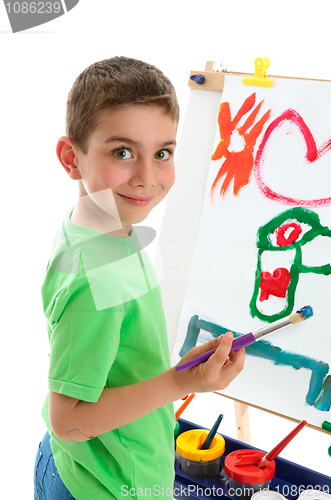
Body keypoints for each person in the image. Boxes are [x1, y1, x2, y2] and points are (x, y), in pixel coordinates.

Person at [34, 56, 245, 500]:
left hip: (103, 466)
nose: (148, 178)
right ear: (72, 158)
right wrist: (181, 382)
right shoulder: (94, 278)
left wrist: (181, 375)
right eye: (123, 152)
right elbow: (69, 420)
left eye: (163, 153)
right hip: (101, 485)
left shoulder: (102, 225)